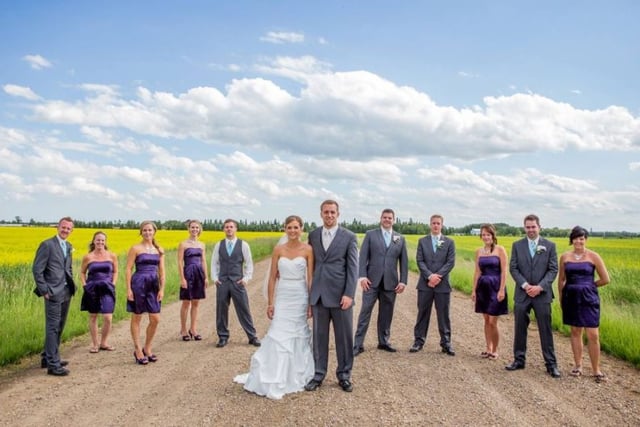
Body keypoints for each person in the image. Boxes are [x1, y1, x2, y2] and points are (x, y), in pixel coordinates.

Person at [234, 215, 314, 399]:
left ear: (301, 229)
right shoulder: (278, 249)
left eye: (296, 227)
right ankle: (273, 374)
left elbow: (310, 278)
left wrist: (310, 302)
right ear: (284, 229)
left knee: (298, 332)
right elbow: (272, 277)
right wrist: (271, 302)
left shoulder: (308, 250)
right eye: (289, 227)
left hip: (300, 294)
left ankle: (296, 373)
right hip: (284, 294)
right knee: (278, 332)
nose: (293, 231)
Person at [305, 199, 358, 393]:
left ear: (338, 214)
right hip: (318, 295)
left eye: (332, 212)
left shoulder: (349, 237)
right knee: (319, 338)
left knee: (344, 338)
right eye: (326, 212)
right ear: (321, 214)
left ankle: (344, 375)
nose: (329, 215)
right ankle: (318, 375)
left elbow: (353, 268)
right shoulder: (313, 235)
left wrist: (349, 294)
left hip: (340, 296)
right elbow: (310, 264)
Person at [506, 214, 560, 378]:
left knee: (545, 329)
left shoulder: (549, 246)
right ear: (524, 228)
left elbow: (553, 270)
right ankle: (519, 360)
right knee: (519, 328)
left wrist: (540, 287)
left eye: (533, 227)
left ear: (539, 227)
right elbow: (513, 268)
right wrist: (525, 285)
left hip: (542, 295)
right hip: (523, 293)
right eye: (527, 227)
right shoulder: (517, 245)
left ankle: (551, 364)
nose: (530, 230)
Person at [558, 226, 610, 382]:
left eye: (581, 238)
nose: (578, 241)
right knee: (575, 331)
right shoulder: (565, 257)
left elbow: (605, 279)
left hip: (589, 299)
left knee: (593, 334)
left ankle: (596, 369)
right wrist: (561, 298)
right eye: (575, 238)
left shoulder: (594, 256)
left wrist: (589, 286)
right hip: (571, 298)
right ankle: (578, 365)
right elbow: (561, 280)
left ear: (586, 239)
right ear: (571, 240)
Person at [353, 208, 408, 355]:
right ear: (380, 219)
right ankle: (358, 344)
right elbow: (363, 257)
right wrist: (362, 277)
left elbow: (404, 262)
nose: (387, 220)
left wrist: (403, 281)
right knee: (365, 312)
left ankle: (383, 342)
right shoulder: (371, 235)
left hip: (390, 283)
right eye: (385, 217)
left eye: (390, 218)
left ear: (394, 220)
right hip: (371, 282)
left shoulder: (400, 238)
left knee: (386, 313)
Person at [32, 216, 77, 376]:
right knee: (52, 327)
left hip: (66, 291)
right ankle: (53, 365)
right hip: (52, 292)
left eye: (68, 228)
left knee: (59, 326)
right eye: (63, 227)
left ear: (72, 230)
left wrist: (71, 284)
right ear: (58, 227)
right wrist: (44, 290)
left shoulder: (68, 245)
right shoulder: (47, 244)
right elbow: (37, 269)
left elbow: (68, 268)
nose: (65, 230)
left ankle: (48, 357)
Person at [410, 214, 456, 356]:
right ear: (430, 224)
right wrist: (430, 276)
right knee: (423, 313)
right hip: (425, 284)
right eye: (433, 223)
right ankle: (418, 341)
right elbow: (420, 260)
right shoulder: (422, 241)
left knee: (444, 314)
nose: (436, 225)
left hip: (442, 285)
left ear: (442, 225)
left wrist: (438, 276)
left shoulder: (449, 242)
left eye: (438, 223)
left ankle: (446, 343)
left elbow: (450, 262)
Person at [211, 219, 261, 348]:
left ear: (235, 229)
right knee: (221, 310)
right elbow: (214, 263)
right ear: (224, 229)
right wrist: (215, 278)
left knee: (244, 308)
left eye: (231, 227)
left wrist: (246, 279)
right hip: (222, 282)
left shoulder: (243, 244)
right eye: (226, 227)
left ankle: (252, 336)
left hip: (237, 282)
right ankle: (222, 337)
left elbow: (249, 263)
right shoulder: (219, 245)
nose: (229, 229)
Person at [125, 221, 165, 365]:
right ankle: (137, 349)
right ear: (141, 232)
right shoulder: (135, 248)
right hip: (139, 283)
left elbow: (162, 271)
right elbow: (128, 269)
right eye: (145, 230)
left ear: (154, 232)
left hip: (153, 284)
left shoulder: (159, 249)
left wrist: (162, 288)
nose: (147, 232)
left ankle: (147, 347)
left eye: (150, 230)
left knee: (155, 318)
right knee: (137, 317)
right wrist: (129, 289)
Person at [471, 224, 508, 360]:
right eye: (483, 235)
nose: (486, 237)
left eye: (488, 234)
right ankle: (488, 348)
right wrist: (474, 290)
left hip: (496, 287)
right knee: (486, 320)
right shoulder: (479, 252)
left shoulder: (500, 250)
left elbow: (504, 271)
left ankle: (495, 349)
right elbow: (477, 272)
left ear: (493, 236)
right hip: (483, 287)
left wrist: (502, 289)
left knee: (493, 321)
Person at [80, 231, 118, 353]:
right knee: (93, 316)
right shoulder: (88, 257)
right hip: (92, 288)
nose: (100, 242)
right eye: (98, 240)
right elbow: (82, 272)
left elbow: (116, 271)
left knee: (108, 317)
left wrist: (113, 283)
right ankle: (95, 344)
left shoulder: (112, 255)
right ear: (93, 241)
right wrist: (85, 285)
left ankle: (104, 343)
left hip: (107, 287)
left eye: (102, 240)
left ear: (105, 242)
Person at [177, 219, 208, 341]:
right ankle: (183, 330)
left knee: (196, 303)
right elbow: (179, 262)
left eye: (197, 227)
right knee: (186, 303)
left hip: (199, 274)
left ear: (200, 229)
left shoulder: (202, 245)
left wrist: (206, 277)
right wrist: (182, 278)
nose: (194, 229)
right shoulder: (183, 244)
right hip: (188, 273)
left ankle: (193, 329)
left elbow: (204, 261)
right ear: (188, 229)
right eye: (192, 227)